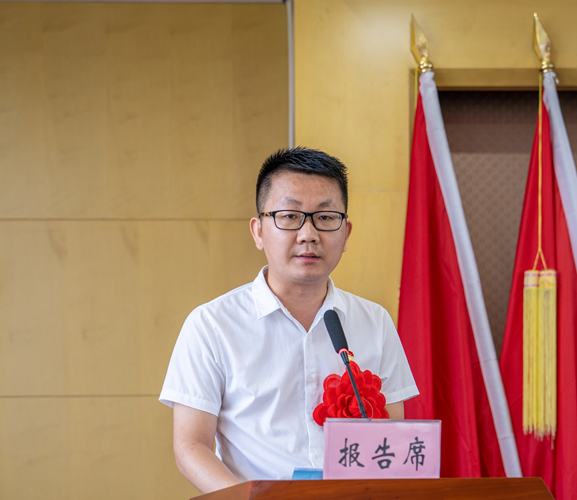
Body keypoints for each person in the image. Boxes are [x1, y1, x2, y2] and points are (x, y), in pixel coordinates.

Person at [159, 147, 419, 493]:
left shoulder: (375, 321)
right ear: (258, 231)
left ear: (346, 233)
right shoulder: (211, 325)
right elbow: (191, 446)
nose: (308, 234)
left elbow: (392, 437)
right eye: (290, 216)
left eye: (325, 217)